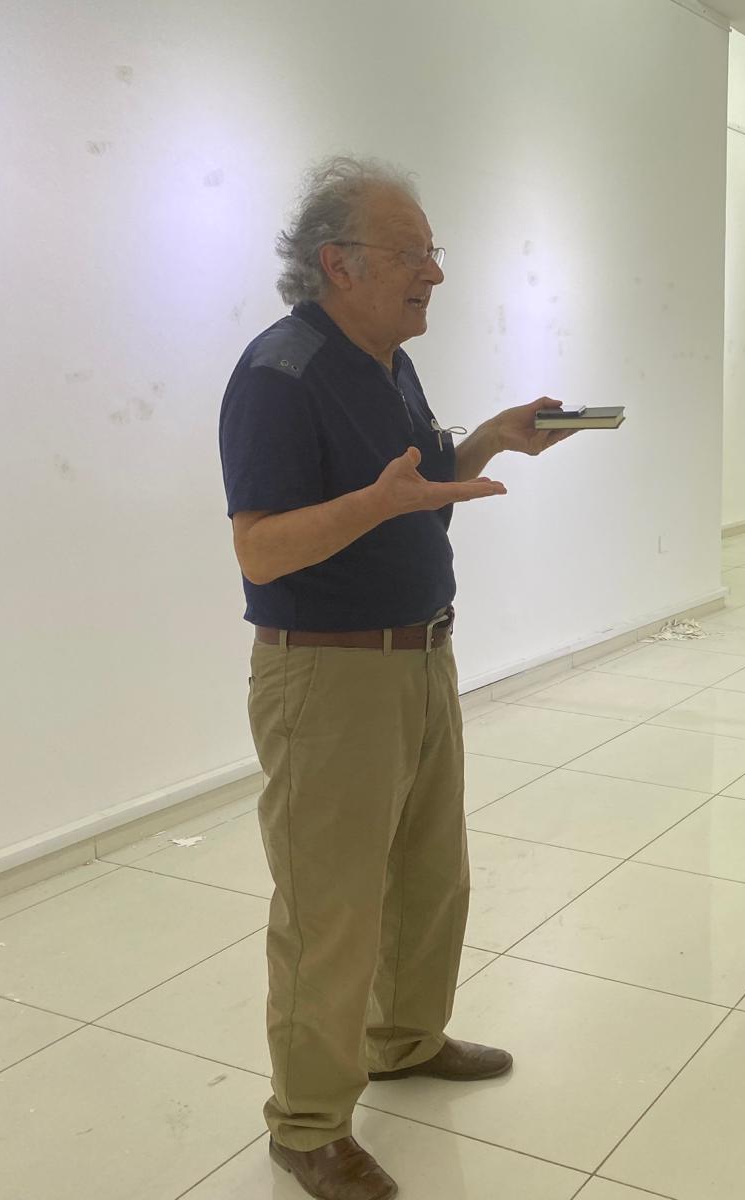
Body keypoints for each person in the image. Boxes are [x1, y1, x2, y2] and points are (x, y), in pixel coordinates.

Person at [219, 156, 573, 1200]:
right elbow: (261, 550)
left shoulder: (389, 361)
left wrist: (490, 439)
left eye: (434, 252)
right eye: (413, 254)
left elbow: (413, 484)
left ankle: (405, 1039)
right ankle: (307, 1125)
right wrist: (374, 506)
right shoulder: (279, 374)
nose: (436, 273)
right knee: (330, 908)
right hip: (328, 679)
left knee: (428, 876)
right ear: (340, 263)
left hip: (421, 654)